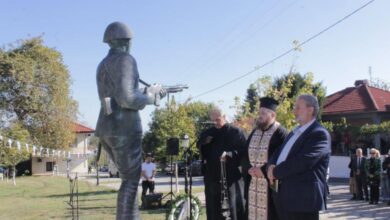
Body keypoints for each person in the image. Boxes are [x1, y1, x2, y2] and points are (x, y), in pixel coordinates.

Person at [95, 21, 166, 220]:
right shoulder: (126, 60)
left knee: (127, 180)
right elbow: (127, 99)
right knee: (131, 181)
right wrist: (151, 98)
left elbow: (117, 94)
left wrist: (145, 91)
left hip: (106, 127)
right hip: (124, 128)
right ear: (126, 41)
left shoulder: (103, 64)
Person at [267, 94, 331, 220]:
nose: (293, 110)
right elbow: (278, 152)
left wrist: (275, 172)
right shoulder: (294, 132)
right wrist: (270, 166)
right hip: (283, 197)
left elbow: (303, 161)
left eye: (297, 107)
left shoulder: (319, 134)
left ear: (310, 109)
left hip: (302, 201)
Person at [242, 97, 288, 220]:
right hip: (253, 184)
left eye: (263, 113)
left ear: (272, 114)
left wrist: (262, 170)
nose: (259, 116)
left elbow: (282, 157)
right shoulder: (254, 132)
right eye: (259, 112)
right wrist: (249, 169)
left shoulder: (281, 133)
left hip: (270, 186)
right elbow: (244, 153)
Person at [198, 106, 246, 220]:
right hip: (213, 178)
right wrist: (203, 143)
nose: (215, 123)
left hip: (231, 178)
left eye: (218, 120)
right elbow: (201, 151)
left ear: (224, 117)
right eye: (213, 120)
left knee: (232, 208)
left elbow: (244, 151)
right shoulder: (208, 133)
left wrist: (229, 154)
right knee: (214, 210)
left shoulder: (236, 132)